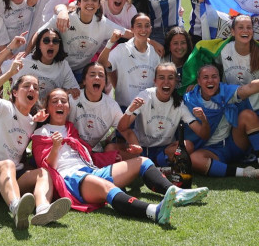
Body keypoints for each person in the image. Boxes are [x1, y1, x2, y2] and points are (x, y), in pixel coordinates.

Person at [32, 88, 207, 224]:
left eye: (64, 101)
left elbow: (88, 156)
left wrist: (116, 156)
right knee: (106, 186)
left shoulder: (71, 128)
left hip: (90, 171)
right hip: (71, 180)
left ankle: (176, 193)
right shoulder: (41, 133)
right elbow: (46, 167)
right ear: (47, 107)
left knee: (142, 161)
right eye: (55, 101)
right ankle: (154, 211)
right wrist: (55, 146)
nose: (60, 104)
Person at [0, 57, 72, 228]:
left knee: (43, 173)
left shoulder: (32, 123)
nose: (32, 89)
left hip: (11, 178)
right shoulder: (2, 107)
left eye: (36, 87)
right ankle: (17, 208)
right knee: (7, 164)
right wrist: (9, 74)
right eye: (26, 86)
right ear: (14, 92)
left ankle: (42, 210)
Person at [184, 64, 259, 179]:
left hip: (233, 143)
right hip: (209, 150)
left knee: (248, 115)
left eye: (214, 76)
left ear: (219, 79)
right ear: (199, 81)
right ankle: (246, 172)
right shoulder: (189, 99)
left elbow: (249, 88)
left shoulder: (226, 91)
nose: (210, 80)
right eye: (205, 77)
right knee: (195, 160)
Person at [118, 62, 201, 166]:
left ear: (176, 81)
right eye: (161, 77)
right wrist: (130, 111)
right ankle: (147, 161)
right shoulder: (145, 96)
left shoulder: (179, 103)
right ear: (155, 81)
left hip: (165, 149)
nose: (166, 82)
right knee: (111, 149)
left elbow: (202, 133)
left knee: (188, 145)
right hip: (141, 148)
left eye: (170, 78)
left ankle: (156, 162)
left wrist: (204, 120)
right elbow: (121, 127)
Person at [46, 0, 130, 79]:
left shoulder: (103, 23)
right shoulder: (65, 18)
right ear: (78, 3)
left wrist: (146, 38)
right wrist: (26, 53)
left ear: (99, 5)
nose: (90, 3)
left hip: (80, 73)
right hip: (57, 70)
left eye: (94, 0)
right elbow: (39, 34)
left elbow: (128, 34)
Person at [0, 28, 79, 101]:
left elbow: (75, 91)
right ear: (39, 45)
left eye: (55, 41)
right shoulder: (25, 61)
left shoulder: (63, 65)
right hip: (20, 111)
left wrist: (68, 92)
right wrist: (10, 47)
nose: (51, 44)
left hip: (47, 113)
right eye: (46, 41)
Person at [99, 13, 160, 109]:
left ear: (151, 29)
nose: (143, 30)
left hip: (147, 109)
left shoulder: (155, 52)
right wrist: (110, 42)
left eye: (147, 26)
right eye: (139, 26)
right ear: (132, 29)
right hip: (125, 108)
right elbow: (102, 64)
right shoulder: (122, 49)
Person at [68, 62, 123, 152]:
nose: (97, 77)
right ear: (84, 81)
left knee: (112, 150)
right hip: (70, 148)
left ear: (105, 82)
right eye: (92, 75)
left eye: (101, 75)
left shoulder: (112, 105)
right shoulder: (72, 99)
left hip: (94, 151)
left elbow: (124, 129)